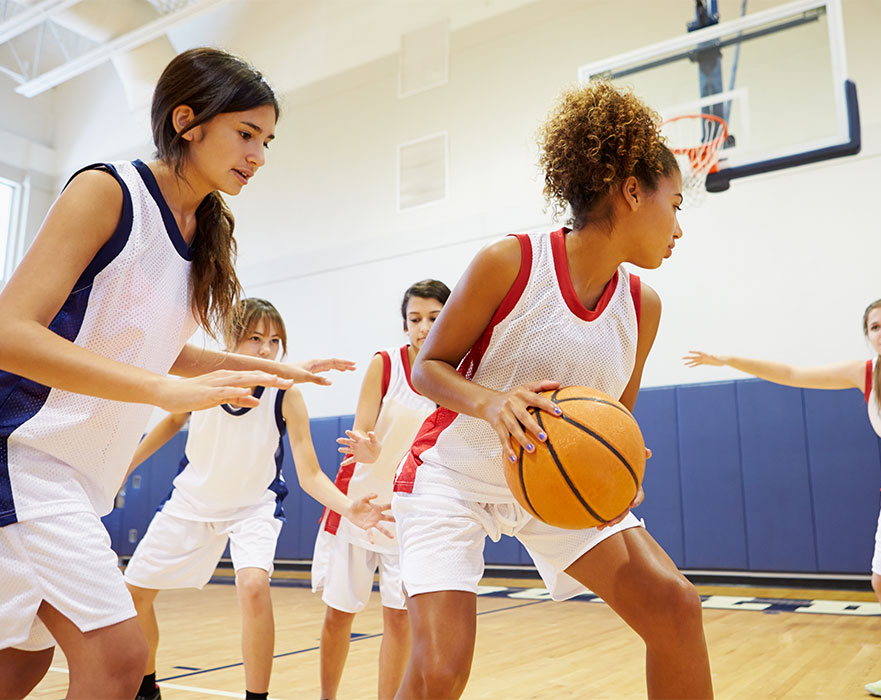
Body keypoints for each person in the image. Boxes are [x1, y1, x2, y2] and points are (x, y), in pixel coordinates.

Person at [0, 48, 352, 700]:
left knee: (18, 665)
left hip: (76, 476)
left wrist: (273, 369)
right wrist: (163, 391)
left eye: (267, 140)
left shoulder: (201, 235)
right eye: (246, 134)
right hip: (23, 456)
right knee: (117, 657)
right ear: (188, 120)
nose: (260, 155)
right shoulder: (108, 191)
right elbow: (8, 334)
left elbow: (160, 349)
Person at [390, 82, 712, 699]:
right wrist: (492, 402)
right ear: (632, 191)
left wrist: (620, 461)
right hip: (454, 477)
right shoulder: (510, 262)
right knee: (439, 671)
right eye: (675, 205)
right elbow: (428, 368)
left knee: (675, 607)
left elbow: (615, 414)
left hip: (552, 482)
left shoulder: (642, 306)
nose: (679, 228)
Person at [685, 295, 881, 699]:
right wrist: (729, 359)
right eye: (876, 327)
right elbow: (792, 371)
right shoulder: (866, 374)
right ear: (868, 336)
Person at [125, 298, 391, 700]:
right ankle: (147, 689)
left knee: (253, 585)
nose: (266, 350)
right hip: (192, 502)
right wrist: (125, 467)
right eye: (255, 338)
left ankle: (256, 698)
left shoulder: (286, 396)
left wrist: (349, 507)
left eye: (274, 341)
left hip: (254, 507)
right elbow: (170, 421)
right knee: (134, 595)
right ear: (231, 339)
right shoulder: (206, 379)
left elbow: (311, 473)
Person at [312, 279, 451, 700]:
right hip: (359, 503)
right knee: (339, 614)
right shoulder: (385, 364)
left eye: (433, 317)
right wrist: (367, 448)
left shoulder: (456, 374)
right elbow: (362, 438)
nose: (423, 327)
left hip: (408, 515)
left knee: (399, 619)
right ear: (404, 324)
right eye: (415, 319)